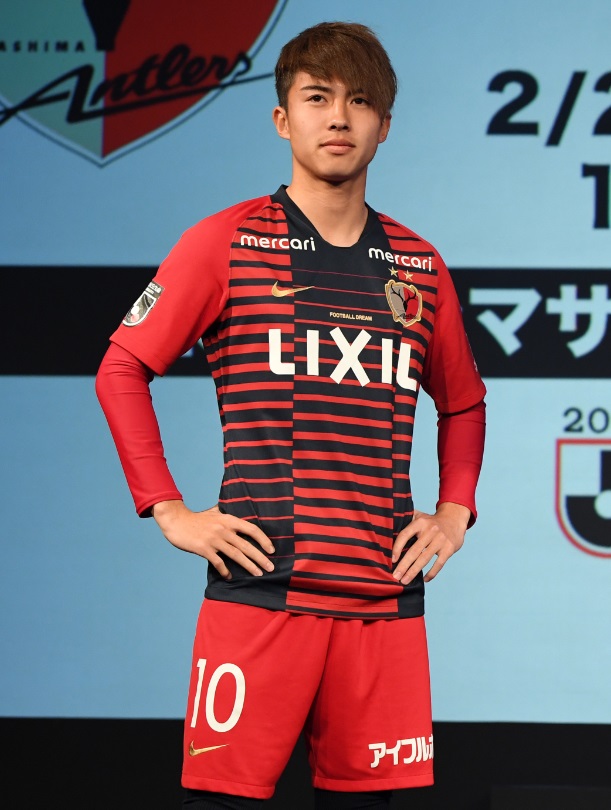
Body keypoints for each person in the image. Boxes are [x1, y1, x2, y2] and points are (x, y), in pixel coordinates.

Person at [96, 20, 486, 810]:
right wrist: (168, 509)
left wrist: (454, 512)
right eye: (317, 98)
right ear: (282, 119)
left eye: (359, 101)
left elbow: (464, 402)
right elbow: (121, 368)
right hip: (260, 593)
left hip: (381, 601)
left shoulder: (418, 265)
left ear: (384, 125)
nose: (338, 117)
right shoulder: (224, 242)